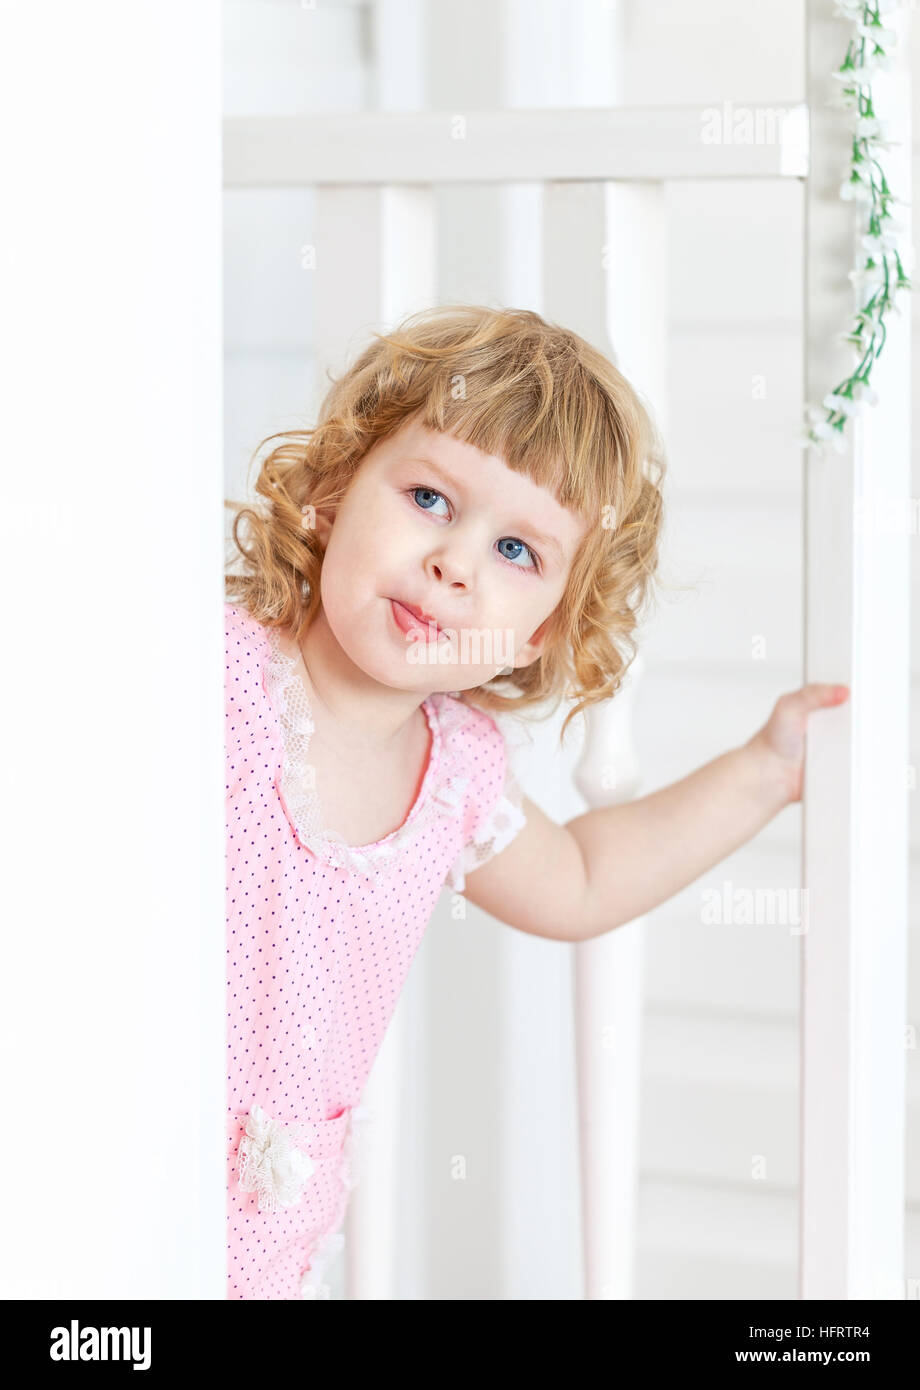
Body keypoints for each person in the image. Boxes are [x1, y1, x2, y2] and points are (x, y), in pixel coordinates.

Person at [223, 303, 848, 1299]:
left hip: (261, 1251)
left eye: (516, 552)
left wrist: (763, 771)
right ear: (332, 494)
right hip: (99, 1186)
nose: (456, 563)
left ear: (538, 635)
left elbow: (585, 878)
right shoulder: (213, 675)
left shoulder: (455, 774)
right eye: (428, 496)